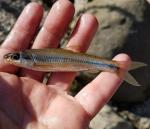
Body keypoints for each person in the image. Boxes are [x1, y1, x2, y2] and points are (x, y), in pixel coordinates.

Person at [0, 0, 130, 128]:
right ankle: (115, 67)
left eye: (15, 57)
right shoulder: (30, 64)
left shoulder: (35, 62)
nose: (11, 59)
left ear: (28, 58)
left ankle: (116, 67)